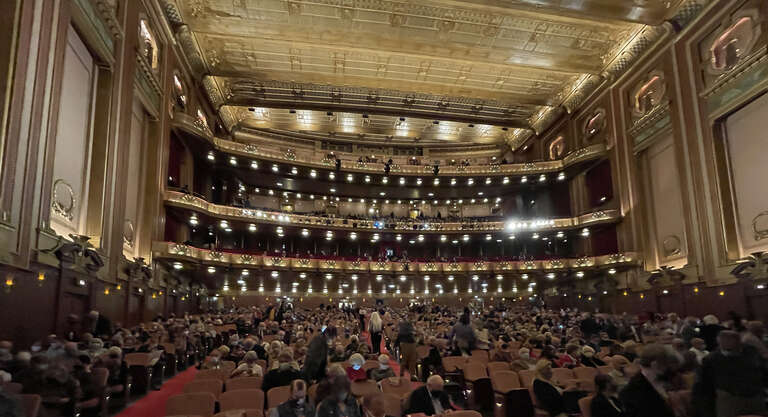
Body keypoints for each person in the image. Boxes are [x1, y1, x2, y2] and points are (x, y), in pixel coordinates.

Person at [693, 330, 767, 417]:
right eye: (725, 341)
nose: (728, 343)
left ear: (739, 341)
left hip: (755, 397)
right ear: (719, 342)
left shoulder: (751, 352)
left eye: (732, 341)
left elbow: (763, 371)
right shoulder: (711, 359)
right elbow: (704, 384)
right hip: (729, 398)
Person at [618, 344, 679, 417]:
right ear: (655, 365)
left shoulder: (670, 378)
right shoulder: (630, 393)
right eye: (666, 365)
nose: (671, 369)